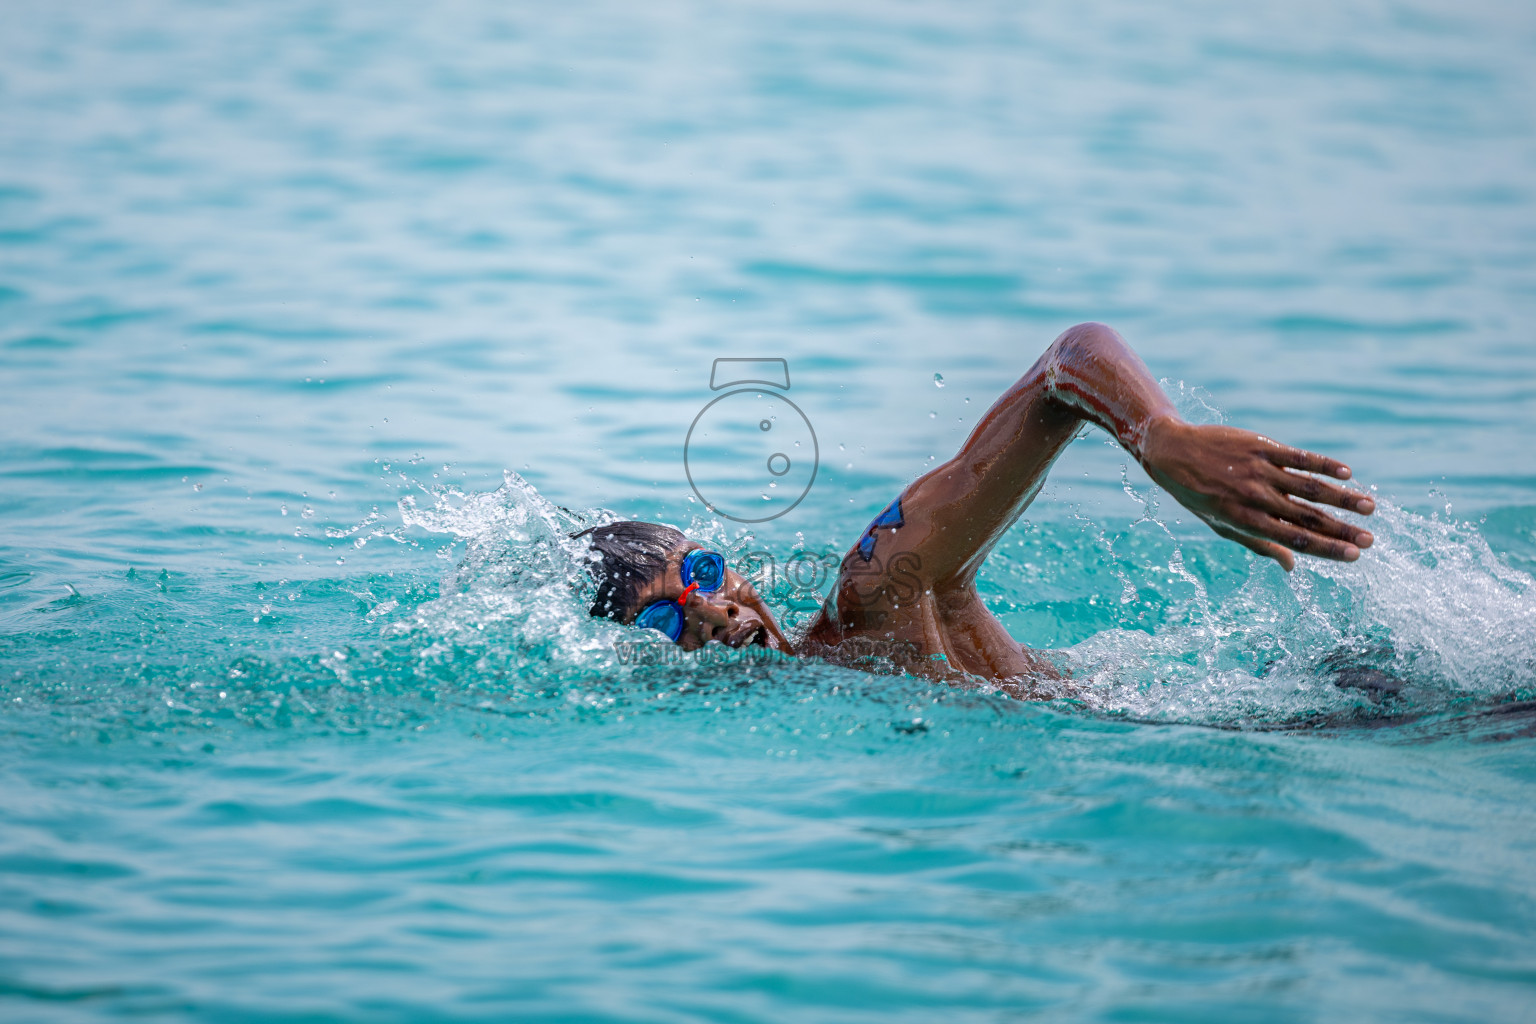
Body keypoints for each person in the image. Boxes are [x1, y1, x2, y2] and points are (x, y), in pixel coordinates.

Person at [575, 323, 1375, 688]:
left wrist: (1158, 435)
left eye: (705, 576)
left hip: (1331, 712)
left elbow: (1068, 363)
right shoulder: (835, 674)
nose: (714, 614)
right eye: (666, 621)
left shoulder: (873, 593)